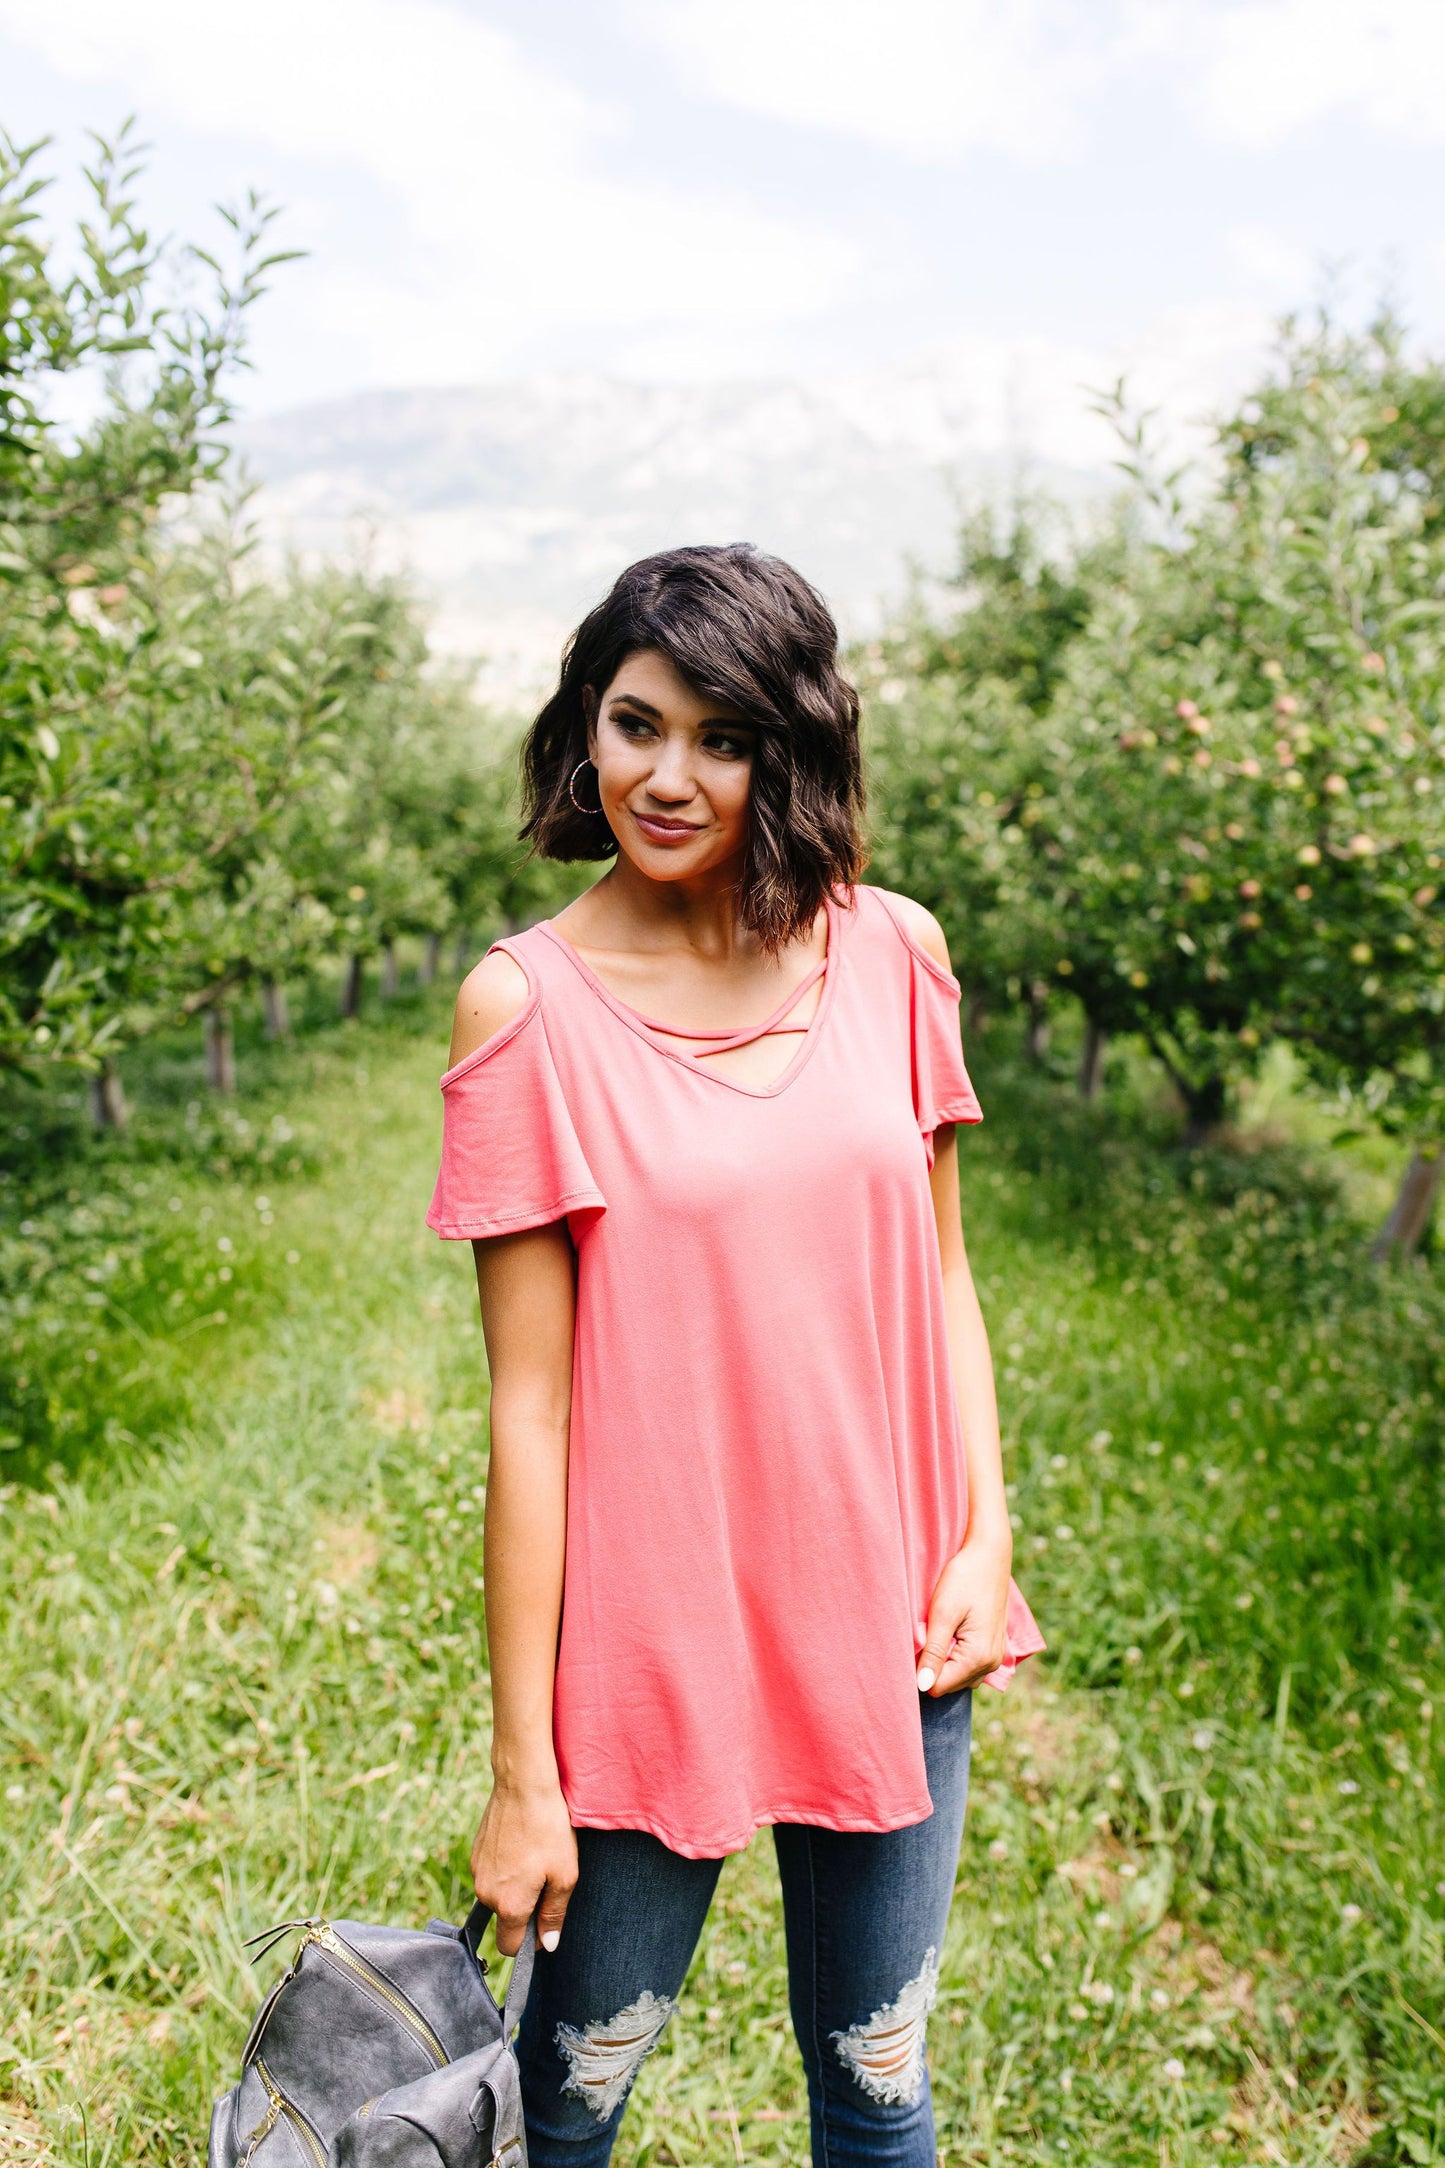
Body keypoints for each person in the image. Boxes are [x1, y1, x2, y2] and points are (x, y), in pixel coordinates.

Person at [427, 544, 1043, 2167]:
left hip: (890, 1624)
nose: (670, 776)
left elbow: (943, 1276)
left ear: (789, 747)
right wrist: (520, 1769)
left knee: (880, 2095)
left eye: (723, 735)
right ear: (581, 732)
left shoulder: (891, 951)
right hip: (651, 1656)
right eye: (637, 725)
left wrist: (983, 1536)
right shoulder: (527, 1011)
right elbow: (532, 1416)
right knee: (560, 2109)